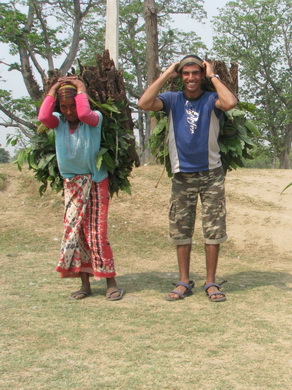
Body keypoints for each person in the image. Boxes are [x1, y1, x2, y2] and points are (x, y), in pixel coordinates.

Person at [138, 55, 237, 302]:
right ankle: (184, 281)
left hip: (211, 173)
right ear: (180, 77)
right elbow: (143, 103)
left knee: (213, 228)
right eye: (186, 74)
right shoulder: (172, 100)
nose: (191, 78)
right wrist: (166, 74)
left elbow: (230, 102)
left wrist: (213, 74)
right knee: (181, 228)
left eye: (195, 73)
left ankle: (211, 282)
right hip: (182, 174)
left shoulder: (212, 99)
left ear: (201, 76)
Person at [38, 76, 124, 301]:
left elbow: (85, 113)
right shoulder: (58, 123)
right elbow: (43, 116)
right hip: (72, 184)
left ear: (80, 102)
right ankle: (84, 284)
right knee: (76, 234)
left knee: (97, 233)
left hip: (95, 182)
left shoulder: (94, 119)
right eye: (64, 106)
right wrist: (54, 88)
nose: (68, 111)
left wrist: (81, 87)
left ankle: (110, 282)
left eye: (72, 105)